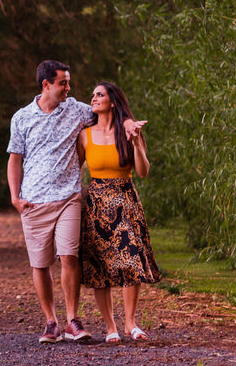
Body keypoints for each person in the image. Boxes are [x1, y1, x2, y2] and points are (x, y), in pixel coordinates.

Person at [7, 61, 142, 344]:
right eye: (63, 83)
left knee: (69, 256)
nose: (69, 88)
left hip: (69, 197)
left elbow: (111, 115)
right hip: (33, 201)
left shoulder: (77, 110)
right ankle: (51, 321)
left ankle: (71, 320)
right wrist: (15, 197)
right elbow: (15, 159)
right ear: (46, 85)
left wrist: (129, 122)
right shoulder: (21, 117)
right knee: (40, 264)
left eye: (68, 82)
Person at [76, 81, 159, 344]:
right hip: (96, 204)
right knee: (101, 267)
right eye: (93, 95)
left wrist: (136, 144)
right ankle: (110, 326)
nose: (94, 98)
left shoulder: (130, 131)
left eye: (99, 94)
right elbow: (74, 172)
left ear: (113, 100)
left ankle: (131, 323)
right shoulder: (84, 135)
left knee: (131, 260)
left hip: (125, 201)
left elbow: (143, 171)